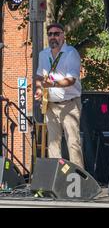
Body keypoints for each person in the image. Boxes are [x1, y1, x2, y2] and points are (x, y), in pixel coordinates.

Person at [34, 23, 84, 169]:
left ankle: (78, 177)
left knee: (73, 142)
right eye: (50, 34)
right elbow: (38, 75)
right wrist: (38, 89)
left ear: (63, 35)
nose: (53, 37)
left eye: (56, 33)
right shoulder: (43, 54)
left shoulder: (71, 53)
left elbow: (71, 80)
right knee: (53, 143)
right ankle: (57, 177)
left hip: (69, 104)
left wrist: (52, 84)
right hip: (50, 104)